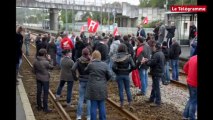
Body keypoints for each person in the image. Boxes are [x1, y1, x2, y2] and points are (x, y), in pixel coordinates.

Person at [85, 50, 112, 120]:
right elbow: (110, 75)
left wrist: (90, 62)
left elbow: (85, 71)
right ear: (100, 56)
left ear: (93, 56)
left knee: (93, 105)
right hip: (102, 86)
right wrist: (105, 80)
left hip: (93, 87)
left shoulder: (90, 65)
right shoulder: (105, 65)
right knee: (102, 104)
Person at [141, 41, 165, 107]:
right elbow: (154, 62)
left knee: (156, 87)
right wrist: (148, 60)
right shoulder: (161, 53)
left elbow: (152, 63)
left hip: (156, 73)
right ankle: (152, 98)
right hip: (159, 72)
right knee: (154, 86)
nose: (152, 47)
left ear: (156, 47)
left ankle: (158, 101)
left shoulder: (156, 54)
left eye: (153, 46)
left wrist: (145, 62)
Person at [112, 43, 135, 109]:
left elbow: (113, 67)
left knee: (120, 89)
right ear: (125, 48)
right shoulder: (128, 56)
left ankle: (122, 103)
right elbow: (133, 66)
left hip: (119, 74)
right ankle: (130, 103)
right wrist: (129, 71)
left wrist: (117, 72)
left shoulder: (117, 56)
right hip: (126, 74)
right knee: (128, 89)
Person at [72, 48, 91, 120]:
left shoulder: (79, 60)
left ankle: (79, 116)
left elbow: (73, 69)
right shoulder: (90, 60)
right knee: (89, 99)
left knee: (81, 98)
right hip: (89, 81)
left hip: (82, 80)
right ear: (88, 53)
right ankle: (88, 116)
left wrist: (75, 78)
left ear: (82, 53)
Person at [183, 55, 197, 120]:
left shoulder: (193, 57)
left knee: (191, 99)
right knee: (194, 101)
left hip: (190, 82)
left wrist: (191, 74)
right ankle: (191, 117)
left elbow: (185, 68)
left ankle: (185, 115)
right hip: (196, 84)